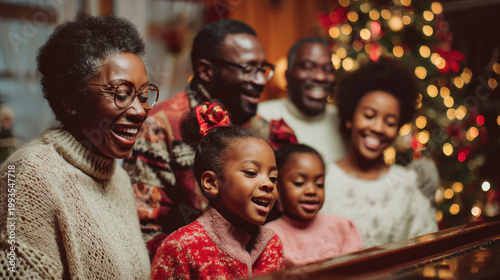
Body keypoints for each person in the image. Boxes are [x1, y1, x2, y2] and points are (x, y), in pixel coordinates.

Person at [0, 14, 154, 279]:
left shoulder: (119, 178)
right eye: (121, 94)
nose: (140, 111)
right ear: (71, 100)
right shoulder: (26, 174)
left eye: (143, 95)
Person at [123, 19, 275, 257]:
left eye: (263, 69)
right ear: (206, 70)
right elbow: (145, 229)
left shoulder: (260, 128)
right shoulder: (160, 125)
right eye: (248, 69)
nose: (260, 80)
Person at [151, 102, 284, 279]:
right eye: (251, 173)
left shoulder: (272, 245)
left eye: (273, 178)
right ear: (211, 183)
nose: (268, 184)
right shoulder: (181, 248)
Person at [321, 56, 438, 248]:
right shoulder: (321, 178)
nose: (378, 127)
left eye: (390, 122)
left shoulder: (409, 185)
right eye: (369, 115)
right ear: (350, 117)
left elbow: (427, 253)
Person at [265, 144, 362, 267]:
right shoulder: (270, 237)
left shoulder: (343, 227)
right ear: (278, 189)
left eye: (319, 184)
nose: (311, 190)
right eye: (299, 183)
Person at [257, 37, 345, 164]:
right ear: (287, 76)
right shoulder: (260, 117)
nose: (320, 77)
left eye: (327, 69)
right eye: (308, 67)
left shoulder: (345, 121)